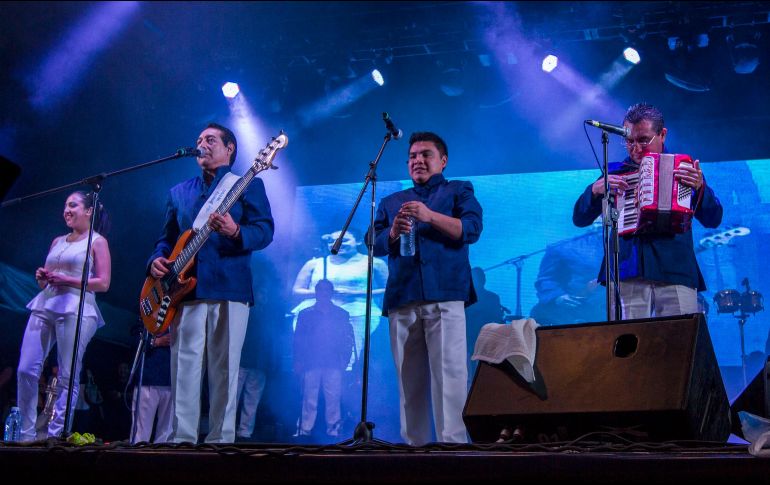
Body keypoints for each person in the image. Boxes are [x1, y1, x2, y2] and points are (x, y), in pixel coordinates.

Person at [147, 122, 274, 444]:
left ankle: (221, 442)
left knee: (225, 369)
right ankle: (182, 440)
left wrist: (235, 231)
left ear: (230, 148)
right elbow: (166, 239)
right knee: (183, 367)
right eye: (199, 139)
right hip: (183, 290)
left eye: (211, 139)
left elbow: (264, 231)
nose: (202, 144)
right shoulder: (179, 192)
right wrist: (156, 260)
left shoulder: (246, 185)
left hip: (230, 287)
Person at [372, 131, 483, 445]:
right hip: (402, 298)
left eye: (425, 154)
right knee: (409, 385)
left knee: (450, 379)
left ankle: (454, 451)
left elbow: (471, 229)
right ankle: (414, 453)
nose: (417, 160)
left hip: (445, 295)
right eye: (412, 156)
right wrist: (392, 232)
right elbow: (374, 242)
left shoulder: (458, 190)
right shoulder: (392, 201)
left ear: (442, 160)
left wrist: (430, 216)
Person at [573, 103, 723, 319]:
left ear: (662, 134)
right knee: (629, 345)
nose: (635, 148)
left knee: (678, 344)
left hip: (676, 271)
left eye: (643, 140)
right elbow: (579, 218)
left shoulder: (684, 169)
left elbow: (713, 219)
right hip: (627, 270)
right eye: (629, 141)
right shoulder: (614, 173)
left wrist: (700, 188)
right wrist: (595, 191)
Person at [16, 190, 111, 441]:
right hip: (46, 304)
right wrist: (42, 278)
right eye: (65, 206)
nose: (66, 210)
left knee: (67, 373)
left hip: (77, 308)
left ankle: (54, 434)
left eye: (73, 205)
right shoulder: (57, 241)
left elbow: (103, 283)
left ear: (89, 211)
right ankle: (25, 434)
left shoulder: (97, 241)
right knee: (26, 369)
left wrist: (67, 279)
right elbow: (47, 280)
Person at [291, 228, 388, 369]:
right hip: (317, 313)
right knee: (313, 356)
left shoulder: (374, 263)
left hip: (357, 313)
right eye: (332, 240)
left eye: (345, 240)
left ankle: (346, 381)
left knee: (347, 354)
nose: (338, 243)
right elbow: (297, 290)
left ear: (358, 241)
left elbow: (389, 288)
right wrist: (324, 293)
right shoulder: (315, 263)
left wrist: (356, 293)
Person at [292, 279, 355, 440]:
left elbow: (348, 339)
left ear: (331, 293)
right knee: (308, 397)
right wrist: (298, 361)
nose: (324, 293)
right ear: (316, 292)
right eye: (321, 290)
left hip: (333, 362)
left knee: (333, 397)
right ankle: (304, 429)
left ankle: (333, 429)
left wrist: (345, 360)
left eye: (327, 290)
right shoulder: (305, 314)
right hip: (311, 361)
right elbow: (298, 339)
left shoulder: (341, 314)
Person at [530, 220, 606, 326]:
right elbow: (546, 279)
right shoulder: (561, 247)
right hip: (571, 313)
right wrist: (558, 297)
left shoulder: (619, 245)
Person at [235, 286, 280, 441]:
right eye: (262, 292)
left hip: (260, 363)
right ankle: (226, 429)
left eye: (266, 293)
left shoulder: (270, 314)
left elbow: (273, 342)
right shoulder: (245, 310)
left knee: (252, 401)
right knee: (232, 398)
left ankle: (245, 432)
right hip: (242, 360)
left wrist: (271, 363)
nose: (264, 296)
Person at [129, 325, 173, 444]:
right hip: (148, 378)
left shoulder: (182, 315)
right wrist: (156, 341)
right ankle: (136, 460)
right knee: (140, 435)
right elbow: (134, 341)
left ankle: (161, 461)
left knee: (166, 436)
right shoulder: (148, 310)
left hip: (172, 380)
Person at [464, 267, 504, 379]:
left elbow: (497, 319)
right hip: (469, 337)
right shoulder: (465, 298)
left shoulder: (492, 298)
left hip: (484, 337)